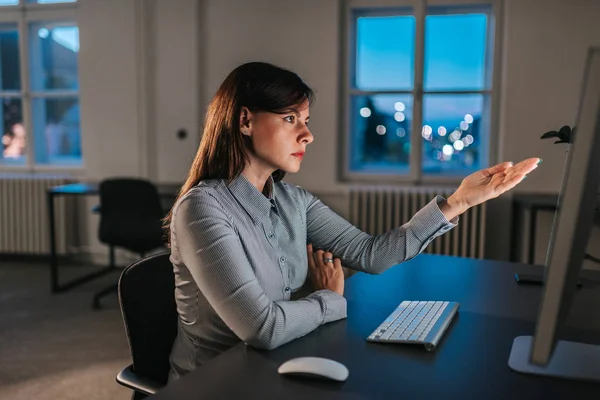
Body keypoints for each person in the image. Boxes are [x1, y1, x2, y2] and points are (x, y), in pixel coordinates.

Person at [163, 61, 540, 381]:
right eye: (290, 118)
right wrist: (328, 299)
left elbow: (372, 254)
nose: (307, 135)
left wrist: (459, 201)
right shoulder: (202, 209)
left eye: (306, 120)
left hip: (273, 366)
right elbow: (263, 327)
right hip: (215, 383)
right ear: (245, 120)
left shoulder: (296, 202)